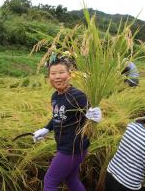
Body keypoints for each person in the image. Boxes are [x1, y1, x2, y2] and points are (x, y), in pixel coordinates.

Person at [33, 54, 101, 191]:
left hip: (72, 148)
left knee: (50, 182)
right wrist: (46, 129)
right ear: (49, 77)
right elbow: (57, 116)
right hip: (66, 146)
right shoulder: (55, 96)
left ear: (69, 74)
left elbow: (91, 114)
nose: (57, 76)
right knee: (71, 179)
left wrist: (96, 117)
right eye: (53, 73)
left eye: (61, 72)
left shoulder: (78, 96)